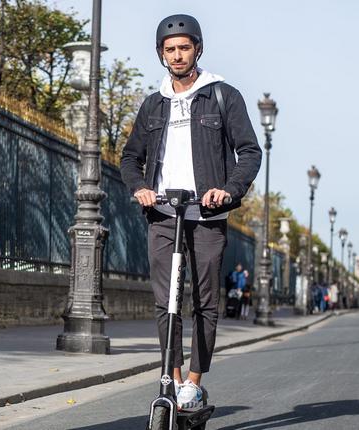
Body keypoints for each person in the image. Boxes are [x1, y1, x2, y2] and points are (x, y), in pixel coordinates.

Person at [120, 14, 262, 410]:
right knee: (166, 300)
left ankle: (194, 384)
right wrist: (140, 188)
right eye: (170, 49)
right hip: (164, 214)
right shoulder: (153, 105)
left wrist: (228, 190)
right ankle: (172, 377)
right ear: (160, 54)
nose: (177, 55)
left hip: (207, 214)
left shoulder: (222, 95)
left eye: (184, 47)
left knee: (204, 301)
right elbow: (131, 158)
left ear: (197, 48)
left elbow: (249, 152)